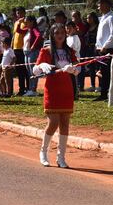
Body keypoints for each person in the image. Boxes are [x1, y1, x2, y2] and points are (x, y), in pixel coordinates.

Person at [33, 23, 80, 168]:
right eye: (56, 33)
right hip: (52, 90)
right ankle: (43, 152)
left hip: (66, 89)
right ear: (52, 35)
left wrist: (73, 69)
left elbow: (78, 68)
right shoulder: (46, 51)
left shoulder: (69, 51)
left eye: (62, 32)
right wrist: (41, 66)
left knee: (65, 123)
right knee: (53, 122)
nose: (59, 35)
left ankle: (61, 157)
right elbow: (35, 70)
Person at [94, 0, 113, 101]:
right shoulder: (103, 18)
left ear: (106, 5)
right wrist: (98, 45)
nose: (99, 8)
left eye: (100, 5)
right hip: (100, 49)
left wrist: (105, 46)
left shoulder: (112, 18)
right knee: (101, 72)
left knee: (107, 73)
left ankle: (107, 93)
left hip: (107, 49)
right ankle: (103, 93)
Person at [24, 15, 44, 96]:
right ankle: (30, 89)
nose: (25, 23)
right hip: (26, 52)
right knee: (29, 72)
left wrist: (33, 46)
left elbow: (39, 36)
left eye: (27, 21)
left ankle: (33, 89)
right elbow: (18, 30)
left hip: (33, 52)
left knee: (33, 72)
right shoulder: (28, 30)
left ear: (32, 22)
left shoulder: (34, 29)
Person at [12, 7, 29, 96]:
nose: (19, 15)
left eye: (20, 13)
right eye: (17, 13)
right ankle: (21, 89)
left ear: (24, 13)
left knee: (25, 70)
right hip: (16, 48)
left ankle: (28, 88)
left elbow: (21, 32)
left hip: (23, 48)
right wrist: (12, 46)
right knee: (19, 70)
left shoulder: (26, 22)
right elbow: (15, 35)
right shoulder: (16, 22)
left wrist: (20, 22)